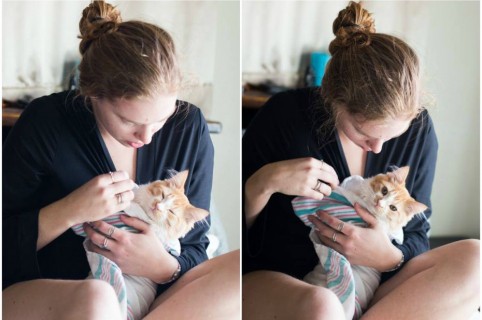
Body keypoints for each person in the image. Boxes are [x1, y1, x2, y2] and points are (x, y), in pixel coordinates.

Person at [3, 1, 239, 319]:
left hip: (148, 294)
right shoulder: (47, 123)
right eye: (128, 120)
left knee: (238, 269)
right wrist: (69, 210)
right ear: (92, 94)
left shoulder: (188, 127)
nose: (147, 137)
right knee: (98, 298)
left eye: (159, 121)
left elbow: (197, 245)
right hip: (58, 295)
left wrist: (162, 266)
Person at [242, 2, 479, 319]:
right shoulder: (284, 117)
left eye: (392, 135)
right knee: (322, 307)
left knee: (474, 258)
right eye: (364, 133)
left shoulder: (419, 131)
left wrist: (387, 258)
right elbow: (240, 242)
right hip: (284, 280)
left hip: (373, 279)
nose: (379, 149)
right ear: (333, 100)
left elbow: (417, 235)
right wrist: (263, 183)